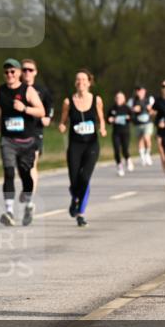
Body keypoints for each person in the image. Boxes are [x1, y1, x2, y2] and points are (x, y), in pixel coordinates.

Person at [0, 59, 46, 227]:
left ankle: (29, 204)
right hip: (7, 140)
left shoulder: (28, 90)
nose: (9, 75)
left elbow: (41, 111)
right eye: (6, 72)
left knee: (26, 175)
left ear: (19, 73)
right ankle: (9, 212)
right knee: (8, 173)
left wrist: (24, 109)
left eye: (12, 71)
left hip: (27, 140)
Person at [58, 69, 106, 227]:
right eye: (78, 79)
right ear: (75, 82)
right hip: (75, 146)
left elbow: (101, 118)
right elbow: (63, 120)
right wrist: (62, 126)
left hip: (91, 145)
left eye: (84, 79)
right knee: (74, 180)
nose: (81, 82)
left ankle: (80, 212)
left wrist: (103, 128)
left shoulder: (96, 100)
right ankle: (75, 199)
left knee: (85, 178)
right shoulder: (68, 102)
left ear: (89, 82)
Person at [21, 58, 54, 194]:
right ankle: (26, 186)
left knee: (32, 163)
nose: (27, 72)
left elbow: (50, 107)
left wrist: (48, 117)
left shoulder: (42, 90)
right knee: (21, 166)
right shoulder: (16, 89)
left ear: (35, 72)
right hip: (19, 131)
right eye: (24, 70)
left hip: (35, 130)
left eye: (30, 70)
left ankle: (30, 197)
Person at [107, 91, 134, 175]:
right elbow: (107, 119)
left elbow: (132, 117)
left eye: (120, 98)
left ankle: (128, 159)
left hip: (125, 132)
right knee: (116, 150)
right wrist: (109, 120)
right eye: (117, 98)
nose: (118, 99)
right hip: (116, 133)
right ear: (115, 99)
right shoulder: (112, 109)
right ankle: (119, 166)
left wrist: (128, 118)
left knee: (125, 149)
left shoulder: (127, 108)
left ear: (124, 99)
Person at [129, 86, 155, 167]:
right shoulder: (132, 101)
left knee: (147, 138)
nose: (139, 92)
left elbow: (154, 112)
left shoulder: (150, 99)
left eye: (141, 90)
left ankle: (147, 154)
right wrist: (133, 110)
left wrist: (150, 109)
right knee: (140, 140)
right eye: (138, 91)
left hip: (148, 122)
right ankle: (142, 156)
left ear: (144, 91)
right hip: (137, 123)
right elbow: (128, 111)